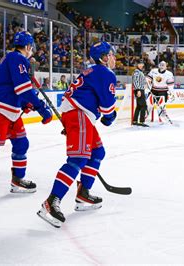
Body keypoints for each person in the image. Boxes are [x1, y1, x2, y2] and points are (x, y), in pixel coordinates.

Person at [0, 31, 53, 205]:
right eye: (31, 48)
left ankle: (17, 180)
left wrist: (24, 103)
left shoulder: (14, 59)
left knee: (21, 143)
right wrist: (41, 107)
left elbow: (15, 87)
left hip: (9, 108)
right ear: (28, 47)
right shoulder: (17, 58)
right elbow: (22, 88)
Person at [37, 41, 117, 228]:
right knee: (78, 157)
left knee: (97, 152)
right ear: (104, 58)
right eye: (112, 54)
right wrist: (110, 117)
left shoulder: (92, 71)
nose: (114, 58)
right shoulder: (105, 72)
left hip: (79, 114)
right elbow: (106, 108)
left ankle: (83, 194)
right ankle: (51, 202)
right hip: (79, 113)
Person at [132, 59, 148, 127]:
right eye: (140, 64)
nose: (141, 65)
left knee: (139, 106)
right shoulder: (137, 72)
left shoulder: (140, 71)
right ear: (137, 65)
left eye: (142, 64)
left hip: (141, 89)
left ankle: (135, 120)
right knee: (143, 106)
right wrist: (138, 90)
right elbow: (135, 81)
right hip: (139, 90)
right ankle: (141, 121)